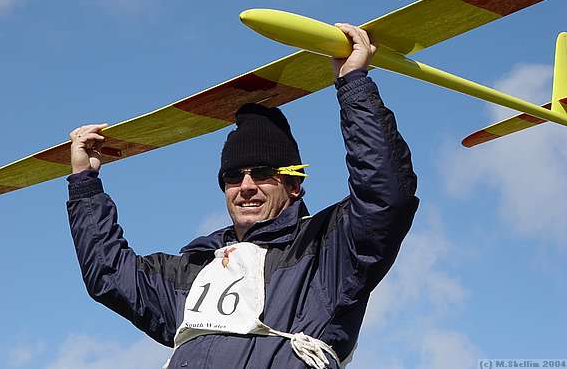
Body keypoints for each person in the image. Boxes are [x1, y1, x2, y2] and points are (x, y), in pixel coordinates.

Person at [66, 24, 419, 369]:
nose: (246, 186)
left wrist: (353, 86)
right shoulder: (193, 270)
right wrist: (85, 182)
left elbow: (386, 195)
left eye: (263, 173)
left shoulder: (328, 252)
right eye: (234, 176)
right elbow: (109, 273)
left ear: (293, 186)